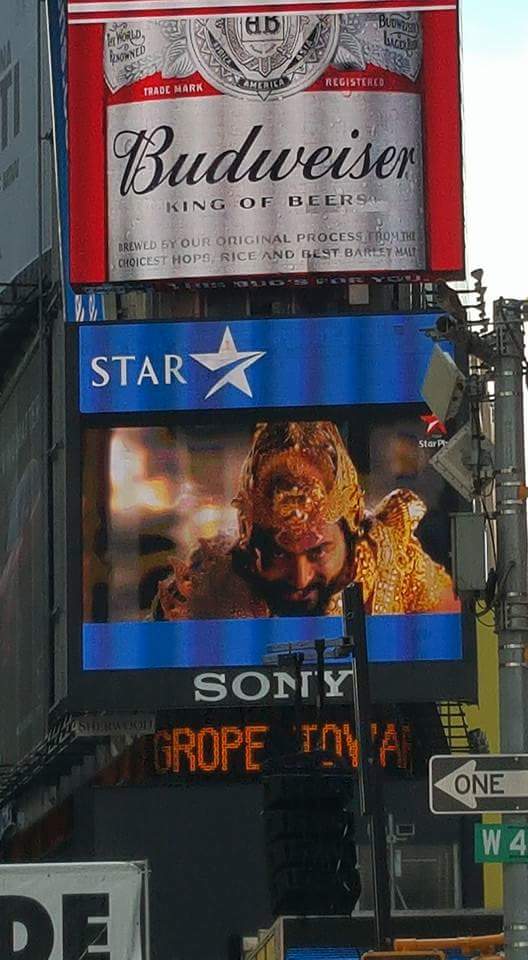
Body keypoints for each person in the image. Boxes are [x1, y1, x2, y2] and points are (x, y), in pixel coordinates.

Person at [152, 421, 456, 620]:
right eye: (277, 553)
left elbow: (449, 641)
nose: (301, 579)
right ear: (247, 534)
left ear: (352, 524)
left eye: (318, 551)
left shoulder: (401, 566)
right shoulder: (208, 583)